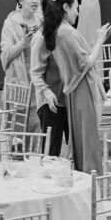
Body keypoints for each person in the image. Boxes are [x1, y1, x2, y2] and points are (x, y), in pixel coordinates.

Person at [40, 0, 111, 174]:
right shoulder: (67, 32)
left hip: (73, 89)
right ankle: (91, 177)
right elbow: (86, 63)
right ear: (66, 7)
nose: (77, 13)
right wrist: (100, 40)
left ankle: (84, 175)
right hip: (82, 88)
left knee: (80, 138)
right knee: (87, 139)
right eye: (76, 8)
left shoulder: (57, 30)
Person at [0, 0, 43, 131]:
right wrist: (23, 43)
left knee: (37, 124)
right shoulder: (11, 23)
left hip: (38, 79)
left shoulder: (41, 21)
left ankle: (35, 147)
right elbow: (6, 55)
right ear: (20, 0)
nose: (35, 1)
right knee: (16, 126)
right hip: (18, 80)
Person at [30, 26, 69, 156]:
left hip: (68, 99)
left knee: (76, 152)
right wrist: (46, 92)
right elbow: (36, 73)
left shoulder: (67, 32)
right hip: (50, 103)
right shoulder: (40, 38)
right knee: (51, 154)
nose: (77, 15)